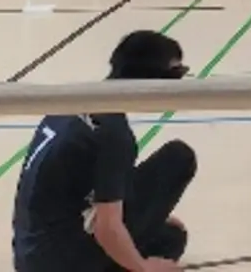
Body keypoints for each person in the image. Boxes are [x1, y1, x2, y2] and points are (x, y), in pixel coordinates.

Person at [12, 30, 195, 272]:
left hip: (30, 255)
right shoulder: (114, 133)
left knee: (167, 233)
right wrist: (144, 268)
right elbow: (106, 229)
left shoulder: (73, 101)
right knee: (178, 160)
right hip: (61, 262)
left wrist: (149, 212)